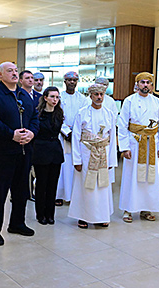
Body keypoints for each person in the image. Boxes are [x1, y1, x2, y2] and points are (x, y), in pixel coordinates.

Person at [0, 61, 39, 246]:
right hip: (2, 153)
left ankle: (17, 223)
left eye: (16, 71)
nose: (14, 73)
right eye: (10, 71)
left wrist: (31, 132)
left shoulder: (24, 95)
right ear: (0, 74)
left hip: (24, 151)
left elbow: (35, 118)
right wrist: (11, 134)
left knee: (21, 190)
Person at [118, 72, 159, 223]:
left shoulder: (157, 102)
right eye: (142, 82)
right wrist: (125, 147)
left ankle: (146, 208)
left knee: (150, 177)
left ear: (152, 86)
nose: (145, 85)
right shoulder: (129, 101)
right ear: (137, 84)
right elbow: (122, 125)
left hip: (152, 143)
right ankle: (128, 209)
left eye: (148, 82)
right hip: (134, 143)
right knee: (132, 177)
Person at [68, 83, 117, 228]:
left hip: (103, 153)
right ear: (91, 96)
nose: (99, 97)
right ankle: (83, 216)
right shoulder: (82, 112)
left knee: (101, 186)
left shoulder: (109, 113)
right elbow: (76, 137)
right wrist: (76, 160)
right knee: (86, 185)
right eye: (96, 94)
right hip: (86, 154)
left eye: (101, 94)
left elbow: (113, 138)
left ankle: (102, 216)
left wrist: (112, 160)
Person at [55, 71, 90, 206]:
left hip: (77, 136)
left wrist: (74, 132)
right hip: (62, 136)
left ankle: (73, 195)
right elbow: (57, 116)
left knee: (74, 165)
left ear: (77, 82)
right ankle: (58, 194)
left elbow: (83, 118)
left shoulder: (83, 99)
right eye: (69, 80)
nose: (71, 82)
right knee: (62, 166)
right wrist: (66, 131)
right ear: (65, 81)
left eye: (74, 80)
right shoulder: (60, 97)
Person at [32, 87, 64, 225]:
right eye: (52, 97)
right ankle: (41, 214)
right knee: (41, 184)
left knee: (52, 185)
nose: (54, 100)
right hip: (41, 151)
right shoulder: (38, 114)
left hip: (55, 151)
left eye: (57, 97)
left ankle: (50, 214)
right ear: (45, 98)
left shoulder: (59, 113)